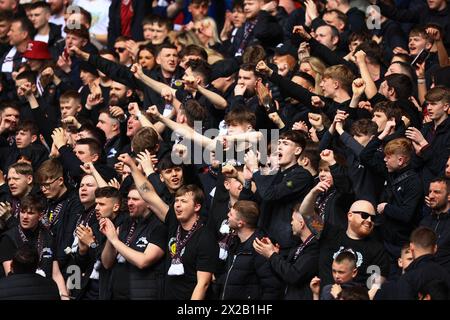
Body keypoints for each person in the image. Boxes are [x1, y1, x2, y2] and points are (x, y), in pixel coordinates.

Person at [118, 153, 219, 300]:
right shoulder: (173, 222)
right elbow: (148, 195)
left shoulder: (205, 236)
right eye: (176, 201)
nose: (177, 205)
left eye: (183, 201)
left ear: (197, 207)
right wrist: (133, 167)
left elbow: (203, 284)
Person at [100, 185, 167, 300]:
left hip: (143, 295)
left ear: (148, 202)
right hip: (116, 294)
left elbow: (143, 261)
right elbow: (106, 263)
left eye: (135, 199)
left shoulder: (159, 226)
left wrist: (115, 241)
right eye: (129, 198)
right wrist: (110, 238)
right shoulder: (126, 223)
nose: (130, 203)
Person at [0, 194, 69, 299]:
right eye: (22, 212)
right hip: (20, 292)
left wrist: (64, 296)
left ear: (40, 216)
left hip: (45, 290)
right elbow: (10, 274)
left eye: (30, 213)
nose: (25, 217)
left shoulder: (47, 236)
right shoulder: (9, 238)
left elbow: (56, 273)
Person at [253, 202, 320, 300]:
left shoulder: (314, 248)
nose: (291, 223)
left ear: (301, 224)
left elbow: (293, 275)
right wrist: (275, 253)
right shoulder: (300, 246)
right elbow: (285, 271)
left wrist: (272, 255)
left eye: (293, 219)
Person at [218, 200, 283, 300]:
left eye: (231, 214)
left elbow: (272, 288)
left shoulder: (260, 247)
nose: (227, 215)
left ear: (240, 223)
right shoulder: (235, 242)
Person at [318, 200, 390, 287]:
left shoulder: (377, 250)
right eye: (364, 215)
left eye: (373, 218)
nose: (369, 220)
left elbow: (374, 289)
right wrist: (314, 192)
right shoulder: (330, 233)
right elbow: (307, 215)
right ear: (350, 215)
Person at [420, 178, 450, 272]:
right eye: (430, 191)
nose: (431, 196)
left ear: (449, 196)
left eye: (436, 192)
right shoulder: (424, 222)